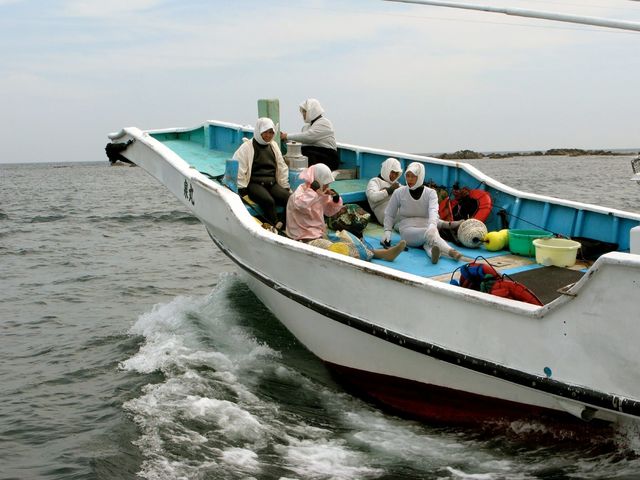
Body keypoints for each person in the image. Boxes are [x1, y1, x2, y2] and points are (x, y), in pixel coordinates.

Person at [286, 164, 405, 262]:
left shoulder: (318, 194)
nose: (327, 186)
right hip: (304, 239)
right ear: (317, 182)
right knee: (338, 249)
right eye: (325, 184)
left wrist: (335, 199)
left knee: (349, 239)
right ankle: (378, 254)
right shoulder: (300, 194)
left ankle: (382, 253)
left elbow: (329, 212)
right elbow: (301, 205)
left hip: (319, 234)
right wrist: (314, 191)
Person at [383, 162, 462, 264]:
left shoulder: (430, 193)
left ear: (420, 177)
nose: (410, 179)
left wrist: (432, 225)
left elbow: (433, 211)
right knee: (428, 234)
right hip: (408, 230)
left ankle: (433, 253)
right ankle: (451, 251)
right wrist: (387, 231)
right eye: (407, 176)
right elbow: (389, 213)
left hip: (428, 227)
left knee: (428, 239)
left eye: (413, 176)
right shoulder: (399, 192)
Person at [233, 117, 291, 228]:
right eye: (265, 132)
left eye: (271, 133)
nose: (268, 136)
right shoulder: (247, 147)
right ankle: (274, 228)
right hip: (255, 184)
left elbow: (281, 166)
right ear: (259, 131)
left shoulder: (273, 146)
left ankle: (282, 225)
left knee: (290, 199)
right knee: (269, 201)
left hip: (272, 183)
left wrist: (285, 185)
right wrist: (242, 189)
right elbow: (240, 168)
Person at [280, 98, 339, 170]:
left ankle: (310, 173)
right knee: (302, 151)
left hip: (329, 157)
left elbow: (309, 137)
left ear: (312, 111)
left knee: (307, 153)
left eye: (305, 111)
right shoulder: (306, 127)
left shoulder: (325, 123)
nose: (303, 114)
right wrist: (285, 139)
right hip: (316, 154)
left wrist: (287, 136)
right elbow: (301, 142)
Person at [366, 157, 403, 224]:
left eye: (396, 173)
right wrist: (389, 190)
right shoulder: (375, 181)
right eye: (392, 172)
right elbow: (373, 197)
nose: (394, 176)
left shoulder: (395, 184)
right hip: (385, 214)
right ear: (386, 169)